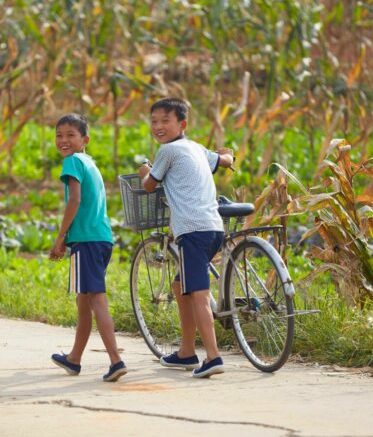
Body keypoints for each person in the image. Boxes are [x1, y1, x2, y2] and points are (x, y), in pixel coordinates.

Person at [138, 97, 234, 378]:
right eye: (154, 121)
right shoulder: (196, 148)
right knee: (181, 286)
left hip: (192, 230)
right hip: (213, 227)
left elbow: (149, 185)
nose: (158, 126)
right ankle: (186, 352)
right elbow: (224, 160)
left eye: (165, 121)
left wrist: (145, 170)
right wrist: (230, 156)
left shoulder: (167, 151)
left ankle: (213, 357)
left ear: (181, 124)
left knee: (199, 295)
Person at [49, 113, 127, 382]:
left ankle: (116, 360)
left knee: (96, 299)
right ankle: (74, 359)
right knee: (83, 302)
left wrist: (61, 237)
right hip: (101, 239)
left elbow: (75, 202)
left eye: (71, 135)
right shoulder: (89, 163)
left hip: (86, 240)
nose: (64, 140)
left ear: (85, 140)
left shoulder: (72, 162)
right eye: (59, 135)